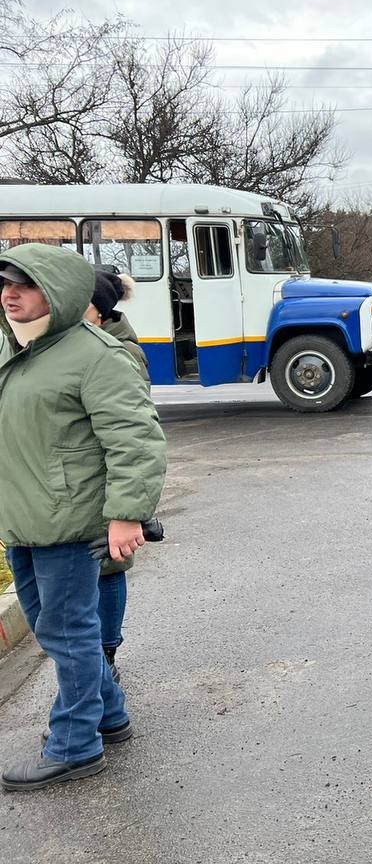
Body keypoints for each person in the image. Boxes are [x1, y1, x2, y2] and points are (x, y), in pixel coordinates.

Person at [0, 244, 167, 792]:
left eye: (24, 285)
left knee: (68, 633)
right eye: (5, 284)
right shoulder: (18, 348)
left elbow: (135, 440)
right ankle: (110, 714)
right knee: (55, 629)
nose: (9, 295)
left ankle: (75, 745)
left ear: (60, 292)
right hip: (24, 519)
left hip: (71, 523)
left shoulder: (96, 355)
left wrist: (127, 516)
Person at [83, 267, 150, 681]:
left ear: (100, 310)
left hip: (103, 479)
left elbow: (136, 429)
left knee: (109, 567)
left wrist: (128, 505)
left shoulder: (120, 352)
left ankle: (106, 653)